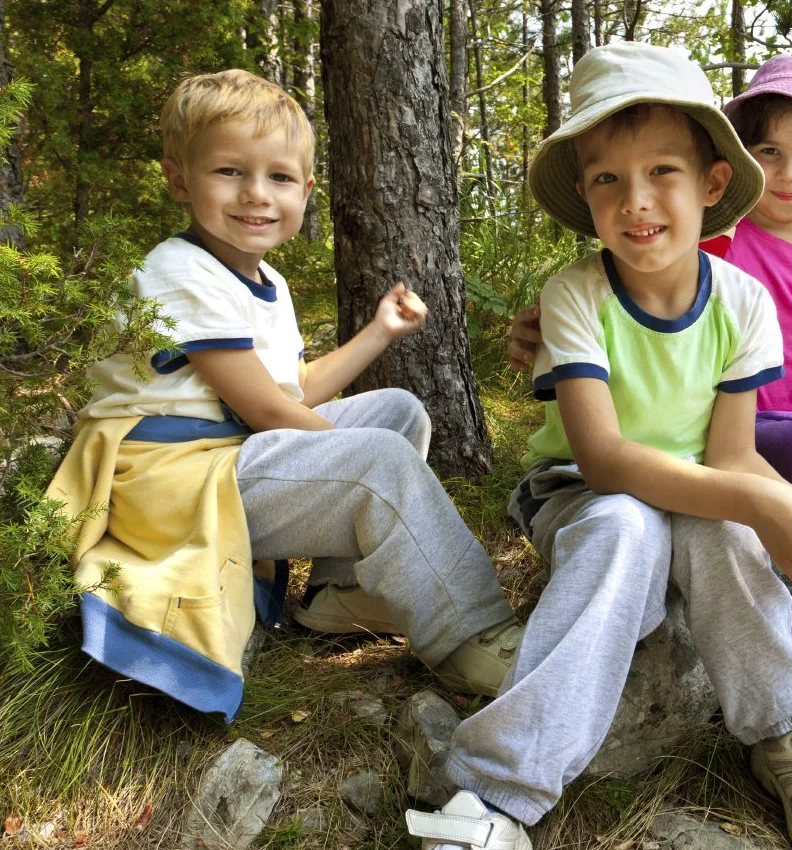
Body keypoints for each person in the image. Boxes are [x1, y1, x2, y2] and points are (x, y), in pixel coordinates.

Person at [406, 42, 792, 850]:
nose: (637, 201)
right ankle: (500, 786)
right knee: (631, 523)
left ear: (712, 183)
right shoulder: (576, 296)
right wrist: (765, 497)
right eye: (607, 180)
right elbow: (605, 461)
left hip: (699, 485)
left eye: (663, 170)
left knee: (730, 529)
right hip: (583, 494)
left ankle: (788, 725)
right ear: (585, 195)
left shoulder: (743, 302)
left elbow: (731, 458)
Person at [508, 54, 792, 732]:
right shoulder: (719, 242)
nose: (789, 173)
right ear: (730, 168)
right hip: (754, 428)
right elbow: (638, 288)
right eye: (770, 151)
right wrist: (549, 329)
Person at [49, 69, 522, 720]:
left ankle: (341, 594)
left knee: (396, 412)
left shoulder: (265, 279)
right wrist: (379, 469)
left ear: (305, 190)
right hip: (178, 484)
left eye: (277, 177)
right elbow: (268, 412)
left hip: (229, 456)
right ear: (180, 178)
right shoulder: (181, 271)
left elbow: (290, 390)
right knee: (381, 462)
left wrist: (379, 332)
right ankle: (472, 639)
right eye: (228, 172)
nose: (255, 195)